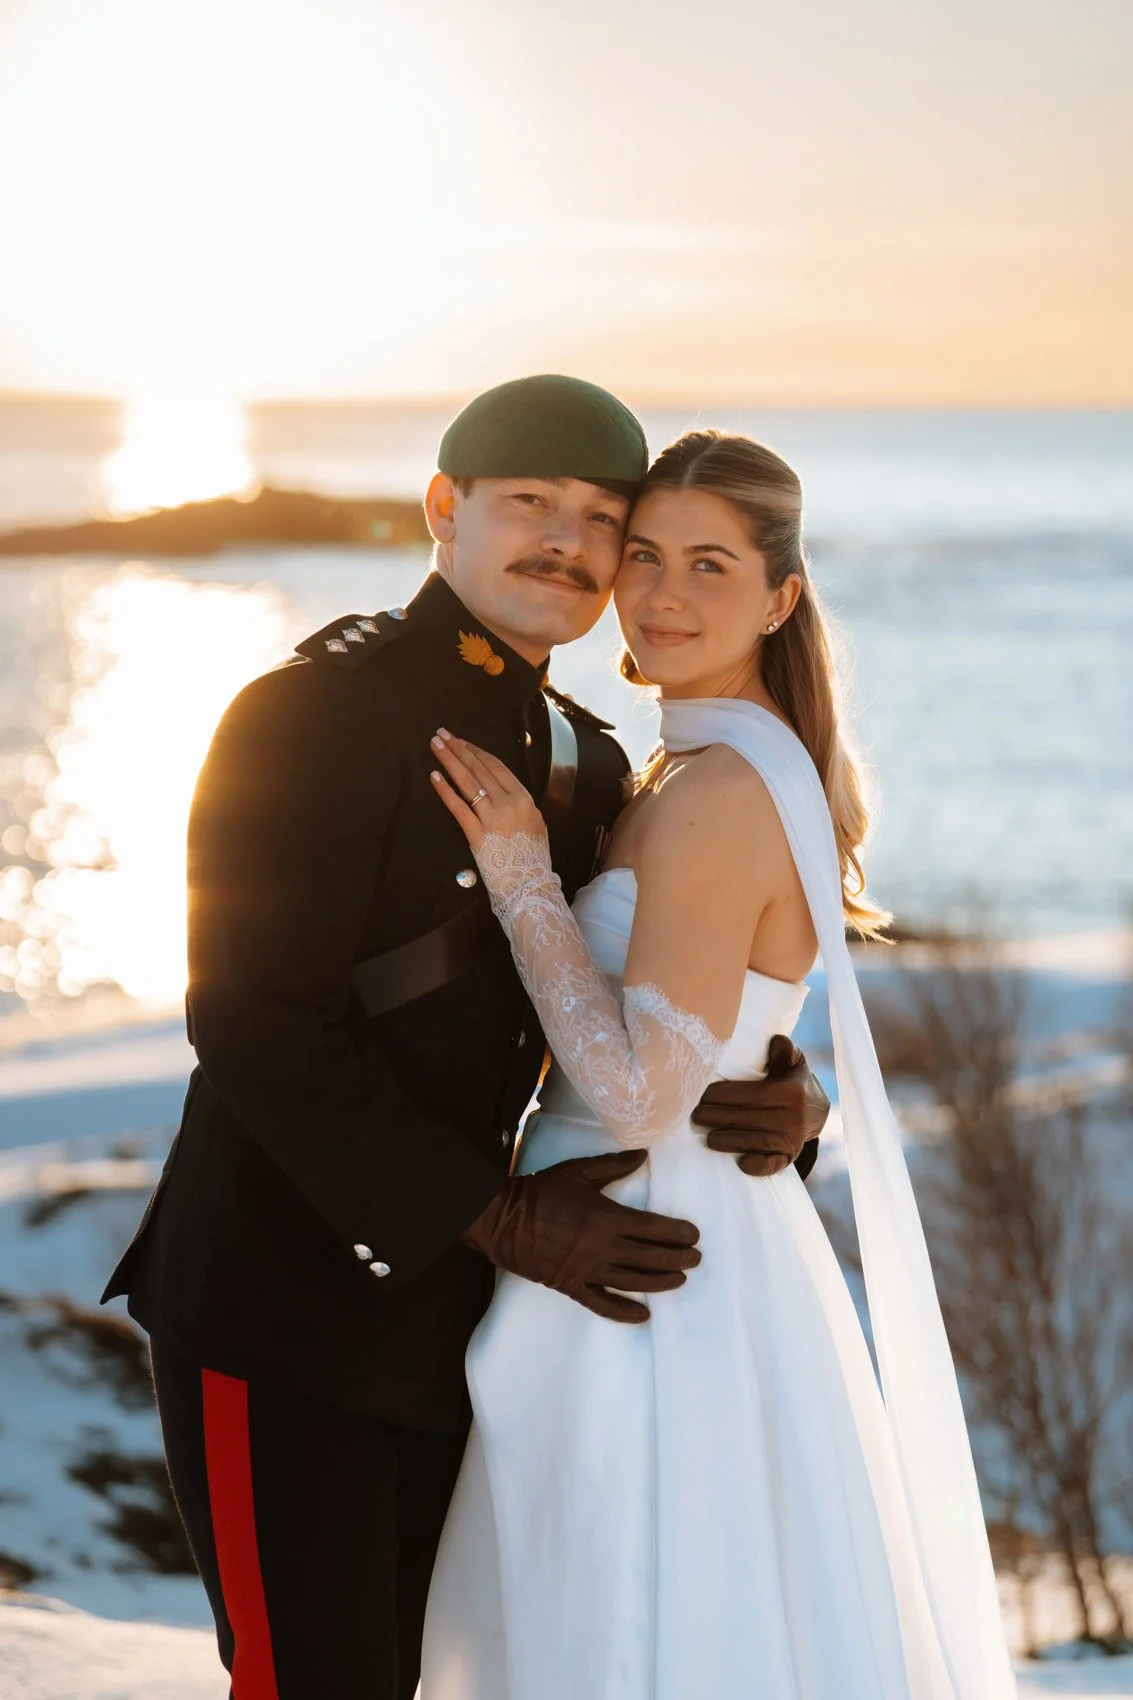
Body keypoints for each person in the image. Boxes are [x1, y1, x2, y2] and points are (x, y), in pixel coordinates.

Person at [100, 379, 829, 1700]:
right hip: (286, 1300)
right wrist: (503, 1221)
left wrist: (782, 1090)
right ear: (444, 510)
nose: (566, 537)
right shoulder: (312, 712)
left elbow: (624, 1003)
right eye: (528, 502)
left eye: (600, 518)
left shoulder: (593, 766)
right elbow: (256, 1024)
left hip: (460, 1330)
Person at [420, 430, 1019, 1700]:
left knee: (624, 1614)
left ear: (781, 596)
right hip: (711, 1237)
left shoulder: (712, 793)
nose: (661, 594)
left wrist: (523, 877)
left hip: (640, 1251)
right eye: (641, 555)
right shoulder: (725, 764)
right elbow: (743, 1021)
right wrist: (797, 1095)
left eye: (708, 564)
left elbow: (640, 1092)